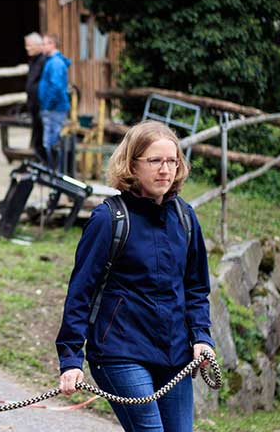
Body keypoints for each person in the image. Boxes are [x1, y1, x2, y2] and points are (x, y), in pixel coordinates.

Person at [55, 121, 214, 431]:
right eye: (155, 161)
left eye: (172, 161)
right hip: (120, 351)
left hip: (175, 354)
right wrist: (71, 359)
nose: (165, 169)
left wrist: (202, 337)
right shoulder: (109, 219)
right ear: (132, 164)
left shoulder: (185, 217)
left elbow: (196, 287)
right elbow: (81, 292)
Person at [37, 33, 71, 171]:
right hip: (51, 109)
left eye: (44, 43)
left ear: (52, 44)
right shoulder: (51, 61)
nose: (42, 47)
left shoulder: (55, 63)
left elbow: (56, 87)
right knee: (50, 141)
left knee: (53, 142)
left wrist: (48, 105)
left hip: (54, 109)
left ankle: (56, 172)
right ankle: (54, 171)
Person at [24, 32, 46, 161]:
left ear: (38, 45)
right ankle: (38, 161)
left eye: (30, 46)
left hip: (41, 105)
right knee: (37, 136)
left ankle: (44, 163)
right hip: (33, 105)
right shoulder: (33, 61)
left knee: (42, 137)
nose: (27, 48)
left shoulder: (43, 61)